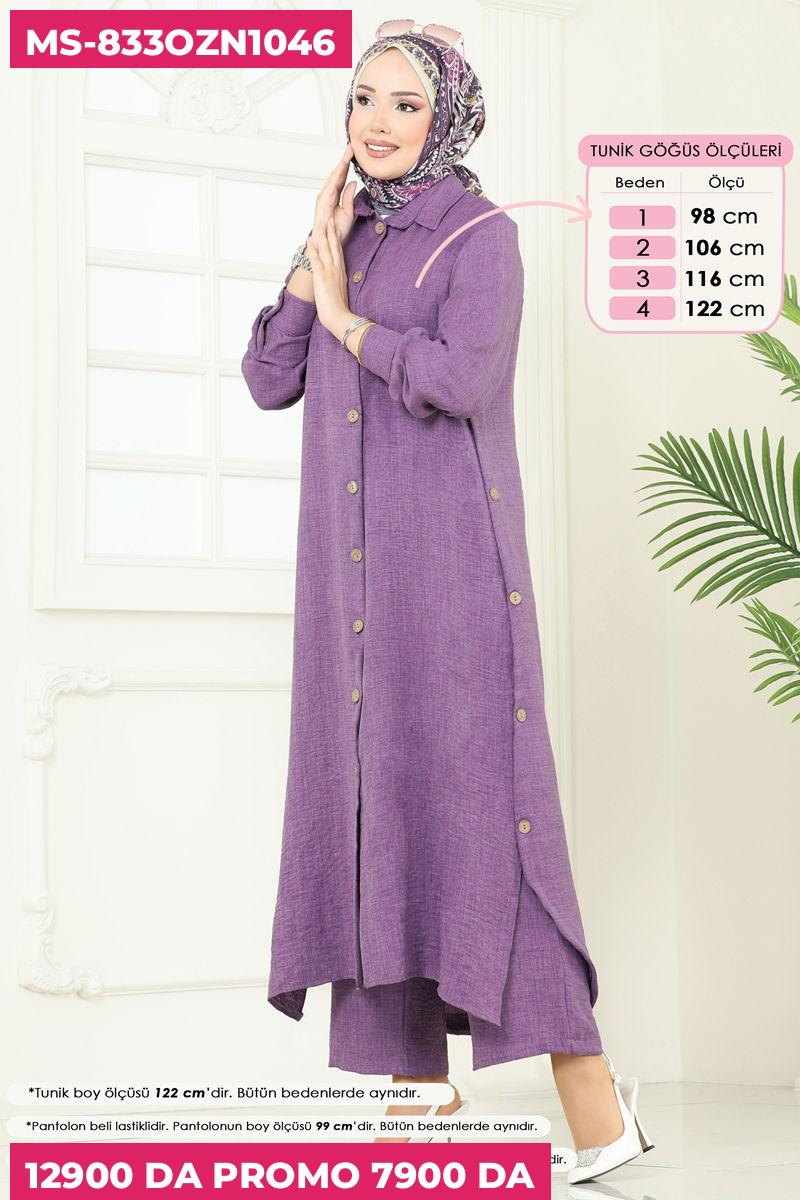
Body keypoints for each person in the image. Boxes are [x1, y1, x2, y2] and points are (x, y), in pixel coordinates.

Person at [241, 20, 654, 1185]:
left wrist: (347, 320)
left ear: (449, 119)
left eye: (403, 104)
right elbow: (267, 379)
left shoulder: (482, 238)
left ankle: (598, 1114)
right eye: (361, 99)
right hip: (348, 592)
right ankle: (414, 1107)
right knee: (377, 814)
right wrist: (312, 256)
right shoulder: (346, 236)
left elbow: (460, 378)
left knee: (483, 826)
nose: (375, 122)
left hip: (452, 580)